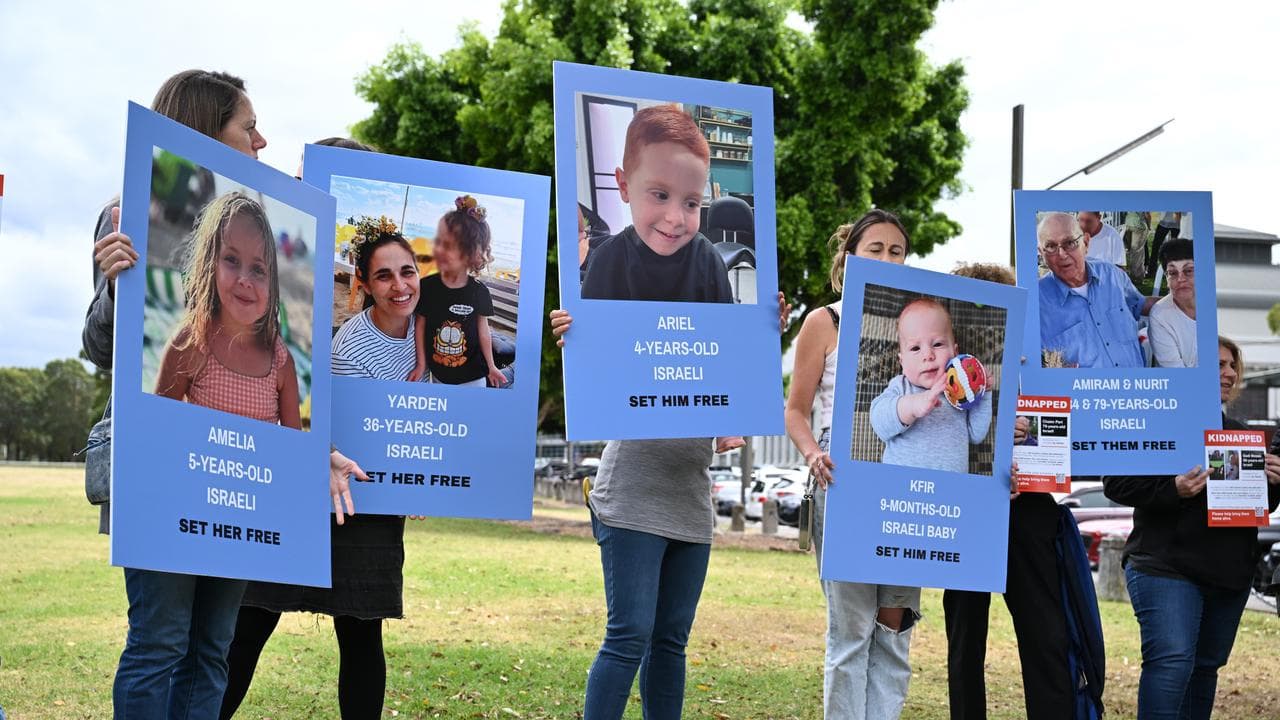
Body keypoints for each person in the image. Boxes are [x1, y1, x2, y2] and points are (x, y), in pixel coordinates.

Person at [220, 141, 408, 720]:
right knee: (248, 620)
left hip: (362, 483)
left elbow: (420, 397)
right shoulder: (269, 259)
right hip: (289, 468)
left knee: (361, 631)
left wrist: (418, 476)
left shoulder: (385, 287)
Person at [548, 291, 788, 719]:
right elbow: (598, 370)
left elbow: (744, 382)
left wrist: (768, 331)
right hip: (631, 499)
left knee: (671, 642)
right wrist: (577, 336)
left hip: (690, 504)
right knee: (629, 636)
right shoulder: (634, 309)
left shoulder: (718, 323)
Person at [784, 209, 919, 719]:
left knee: (895, 629)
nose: (886, 258)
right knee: (852, 631)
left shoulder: (924, 322)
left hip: (908, 492)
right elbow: (795, 410)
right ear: (850, 258)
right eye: (875, 249)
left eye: (896, 251)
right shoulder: (824, 322)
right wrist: (813, 451)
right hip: (845, 487)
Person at [1104, 336, 1280, 719]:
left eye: (1233, 366)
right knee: (1172, 663)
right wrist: (1174, 488)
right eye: (1218, 365)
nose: (1229, 373)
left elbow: (1256, 507)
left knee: (1204, 670)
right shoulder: (1157, 421)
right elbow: (1115, 483)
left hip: (1228, 575)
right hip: (1165, 567)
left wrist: (1273, 482)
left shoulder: (1240, 434)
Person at [942, 262, 1078, 720]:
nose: (987, 312)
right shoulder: (947, 366)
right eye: (975, 302)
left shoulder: (1040, 361)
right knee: (964, 641)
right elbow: (937, 434)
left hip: (1031, 510)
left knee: (1046, 634)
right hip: (969, 508)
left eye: (997, 301)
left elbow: (1066, 430)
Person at [153, 191, 300, 428]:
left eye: (258, 269)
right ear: (210, 264)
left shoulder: (281, 362)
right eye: (231, 260)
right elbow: (157, 429)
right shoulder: (189, 344)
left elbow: (296, 453)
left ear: (272, 284)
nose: (245, 279)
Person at [579, 104, 733, 304]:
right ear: (625, 186)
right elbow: (593, 331)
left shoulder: (709, 260)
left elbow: (729, 331)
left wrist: (767, 327)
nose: (675, 219)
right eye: (661, 195)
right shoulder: (606, 262)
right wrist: (572, 330)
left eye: (691, 203)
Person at [870, 298, 992, 471]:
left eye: (937, 344)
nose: (928, 355)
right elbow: (879, 424)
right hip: (901, 489)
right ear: (902, 362)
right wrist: (913, 405)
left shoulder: (960, 392)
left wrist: (983, 393)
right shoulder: (901, 387)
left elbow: (976, 435)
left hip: (948, 492)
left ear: (955, 352)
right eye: (915, 348)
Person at [1037, 211, 1155, 368]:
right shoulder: (1035, 302)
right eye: (1051, 246)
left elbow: (1139, 304)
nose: (1062, 254)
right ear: (1041, 253)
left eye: (1070, 243)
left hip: (1136, 389)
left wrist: (1182, 300)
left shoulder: (1111, 274)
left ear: (1086, 242)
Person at [410, 195, 506, 388]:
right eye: (439, 241)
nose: (440, 249)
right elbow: (419, 326)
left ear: (473, 253)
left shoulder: (479, 292)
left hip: (473, 376)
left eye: (450, 245)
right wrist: (421, 364)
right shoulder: (427, 286)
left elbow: (483, 332)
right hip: (438, 374)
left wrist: (492, 366)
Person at [1147, 238, 1197, 368]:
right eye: (1173, 273)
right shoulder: (1160, 316)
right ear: (1166, 278)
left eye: (1189, 271)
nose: (1181, 279)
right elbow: (1178, 376)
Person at [1148, 211, 1180, 278]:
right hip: (1164, 222)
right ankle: (1152, 271)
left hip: (1177, 223)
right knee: (1155, 247)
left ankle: (1173, 272)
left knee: (1175, 250)